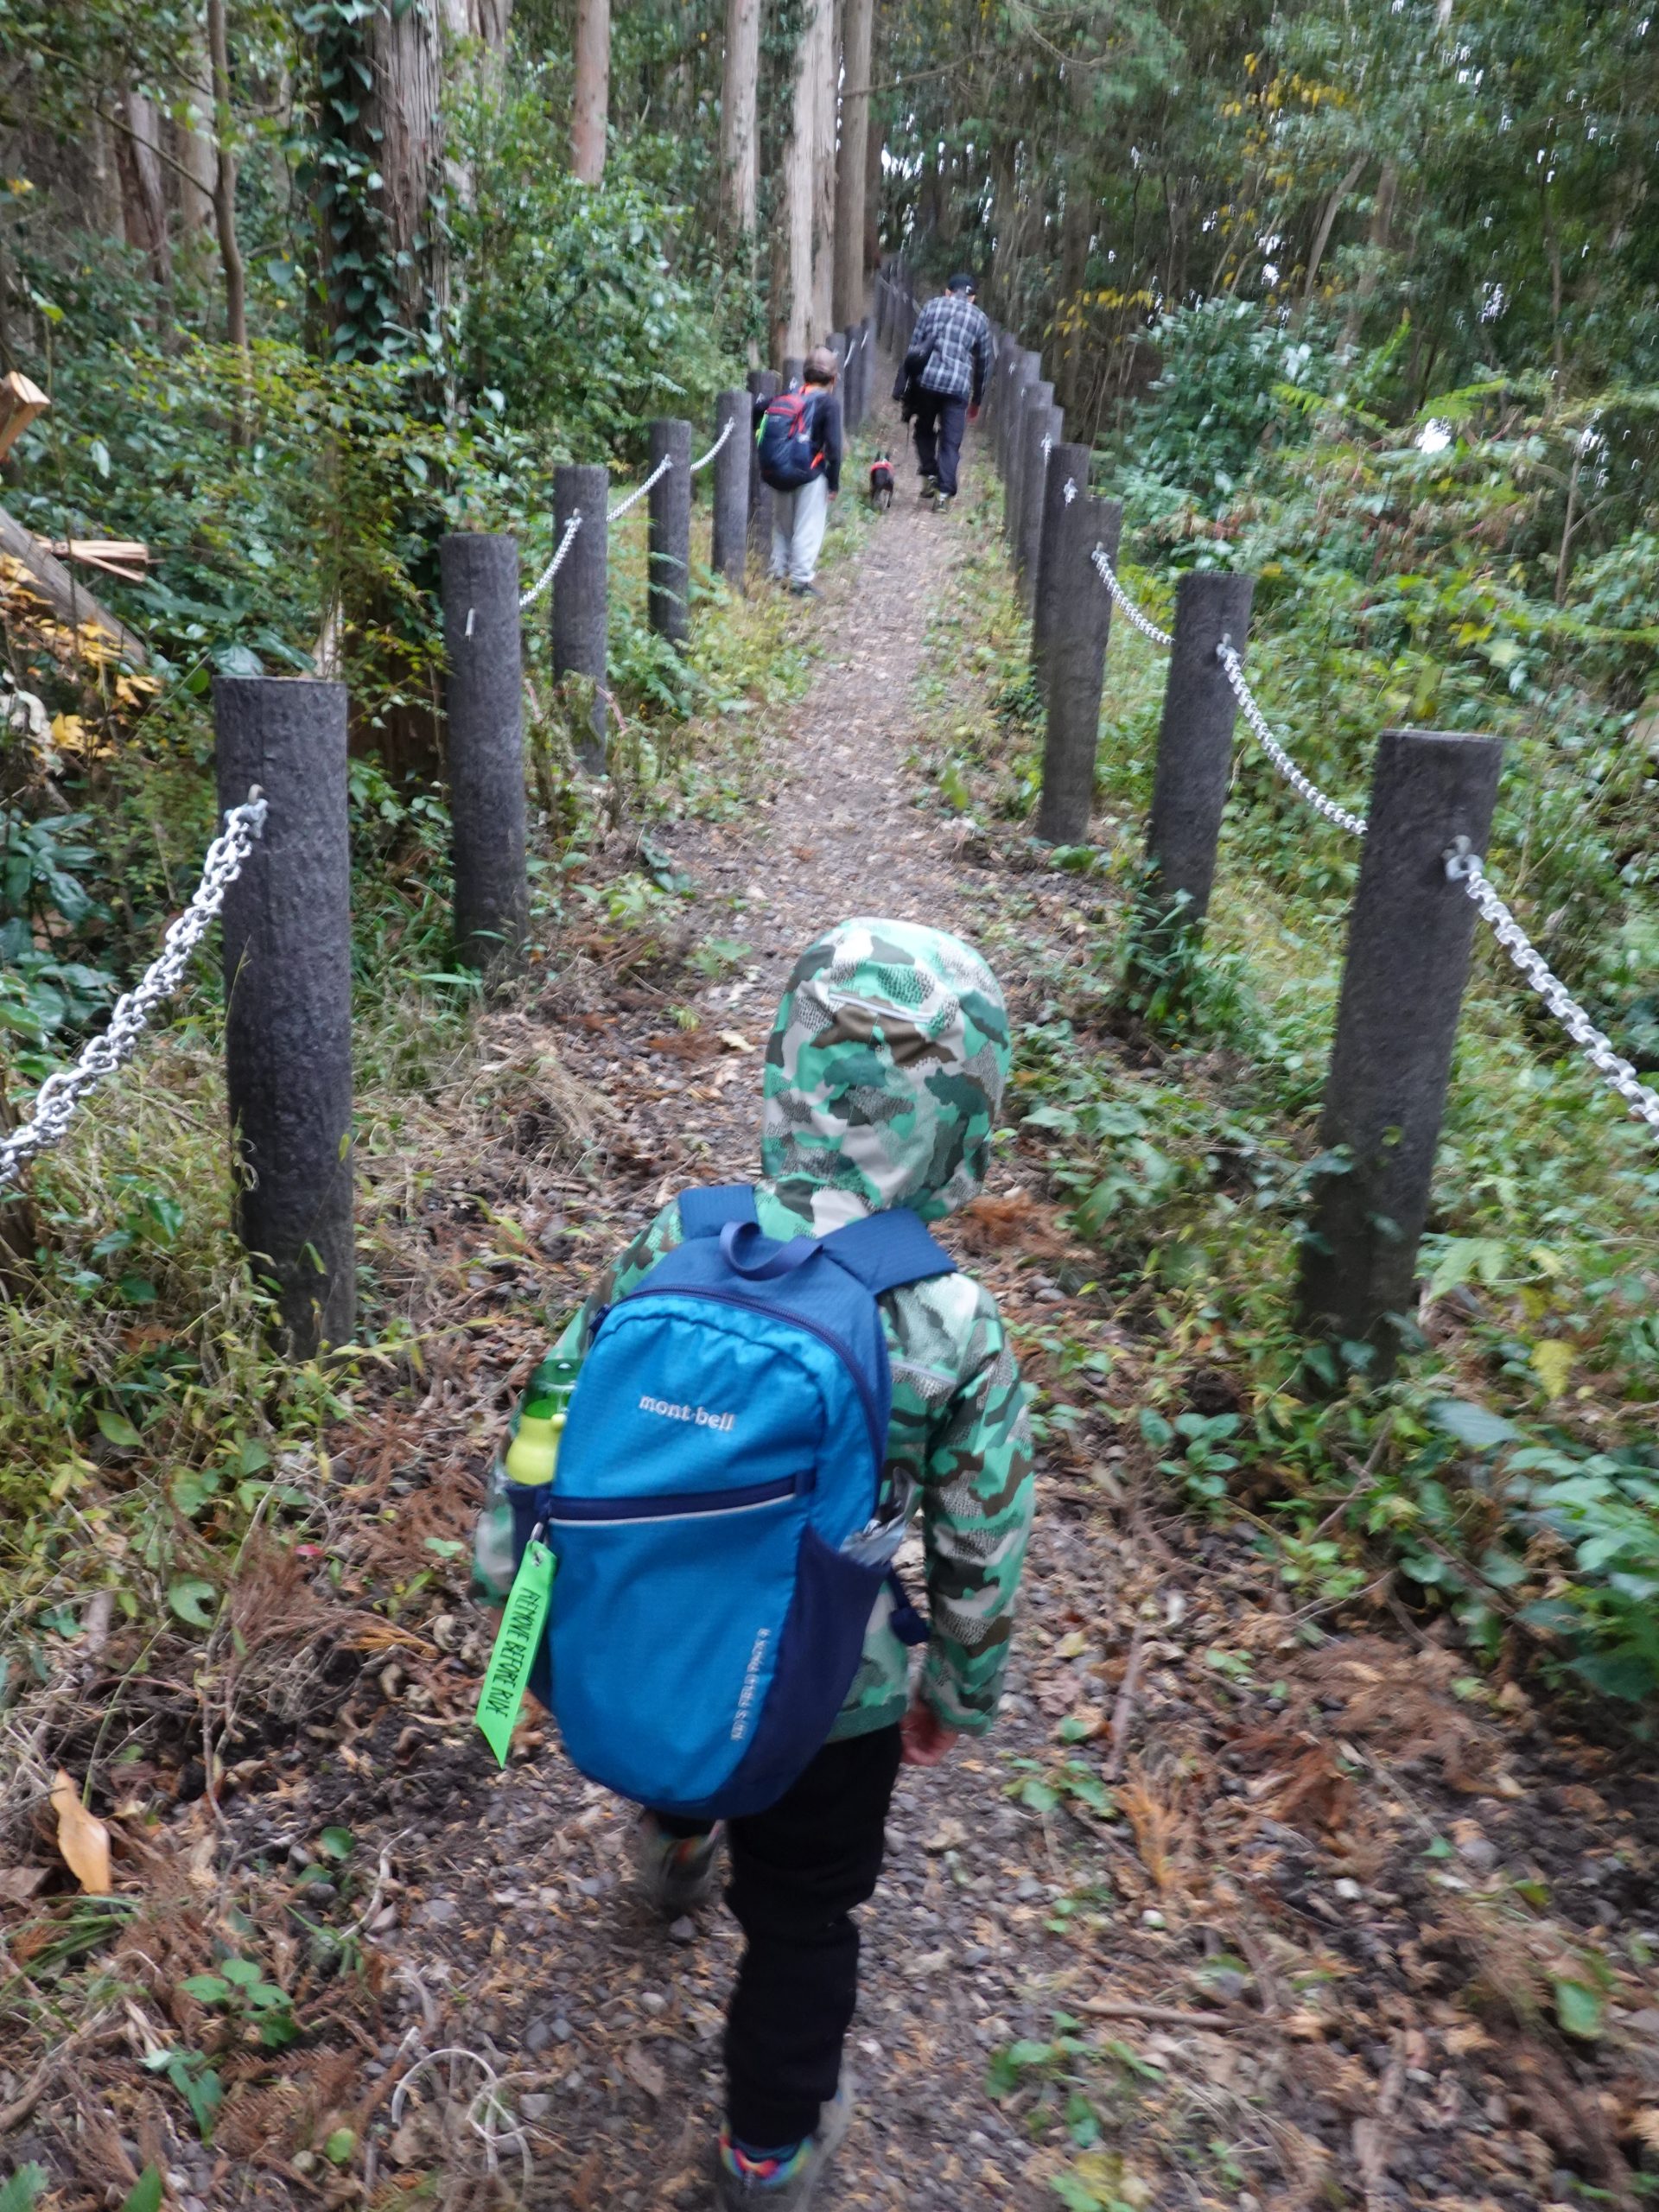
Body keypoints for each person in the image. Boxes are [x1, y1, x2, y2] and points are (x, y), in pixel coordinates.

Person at [528, 919, 1034, 2207]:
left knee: (697, 1712)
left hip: (661, 1626)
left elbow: (555, 1414)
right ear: (967, 1121)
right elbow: (983, 1531)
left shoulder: (678, 1238)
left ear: (780, 1070)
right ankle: (768, 2149)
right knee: (805, 1917)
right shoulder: (951, 1319)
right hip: (835, 1687)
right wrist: (956, 1690)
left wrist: (512, 1577)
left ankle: (677, 1846)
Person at [895, 273, 994, 512]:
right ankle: (943, 495)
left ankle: (929, 474)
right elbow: (984, 362)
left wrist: (907, 384)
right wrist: (977, 399)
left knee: (924, 429)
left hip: (926, 382)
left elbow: (915, 347)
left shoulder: (931, 307)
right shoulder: (980, 319)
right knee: (951, 442)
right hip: (957, 388)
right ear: (972, 298)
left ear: (947, 291)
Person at [756, 346, 842, 598]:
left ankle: (777, 572)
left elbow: (756, 411)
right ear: (833, 379)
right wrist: (833, 483)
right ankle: (800, 582)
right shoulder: (828, 404)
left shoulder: (788, 396)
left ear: (805, 376)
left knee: (783, 525)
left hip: (779, 471)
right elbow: (834, 449)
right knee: (808, 525)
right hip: (809, 474)